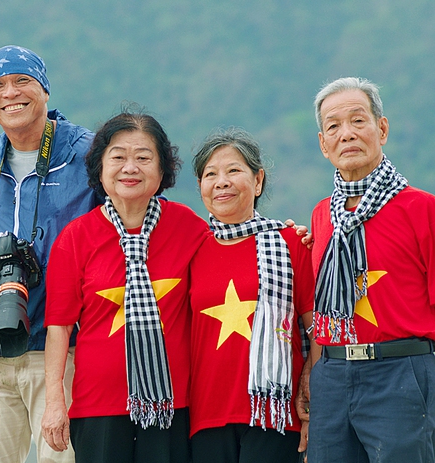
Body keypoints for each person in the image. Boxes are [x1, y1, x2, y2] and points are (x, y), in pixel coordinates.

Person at [42, 109, 209, 463]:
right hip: (97, 405)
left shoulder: (189, 228)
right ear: (100, 169)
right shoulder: (75, 238)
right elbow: (59, 327)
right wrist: (55, 401)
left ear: (162, 170)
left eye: (143, 158)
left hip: (173, 404)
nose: (130, 168)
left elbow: (232, 256)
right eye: (117, 157)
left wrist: (289, 236)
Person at [0, 44, 96, 463]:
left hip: (62, 346)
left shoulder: (88, 153)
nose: (10, 93)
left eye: (22, 81)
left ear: (45, 90)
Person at [299, 77, 435, 463]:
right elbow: (324, 307)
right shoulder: (323, 215)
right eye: (333, 126)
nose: (347, 134)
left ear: (382, 128)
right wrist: (313, 375)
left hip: (402, 372)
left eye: (358, 120)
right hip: (333, 375)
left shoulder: (422, 208)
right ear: (324, 145)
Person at [188, 128, 314, 463]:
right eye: (210, 174)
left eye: (233, 171)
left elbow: (316, 331)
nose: (221, 182)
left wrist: (316, 404)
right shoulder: (190, 249)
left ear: (257, 181)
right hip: (205, 417)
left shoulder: (291, 244)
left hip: (276, 415)